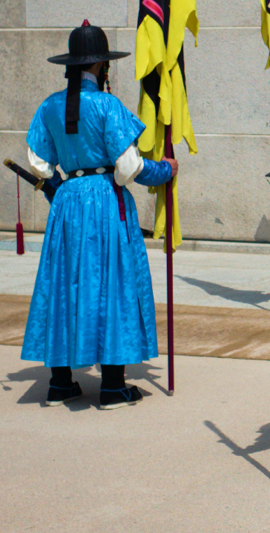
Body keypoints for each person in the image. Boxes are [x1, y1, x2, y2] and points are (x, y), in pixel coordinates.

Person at [22, 21, 178, 409]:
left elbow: (39, 163)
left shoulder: (49, 105)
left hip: (67, 201)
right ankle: (112, 386)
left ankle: (60, 383)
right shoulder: (108, 105)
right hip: (106, 201)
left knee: (64, 282)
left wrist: (64, 187)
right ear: (100, 66)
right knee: (114, 283)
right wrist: (165, 169)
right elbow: (128, 167)